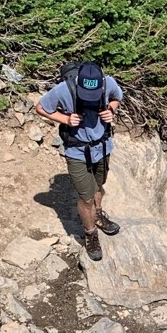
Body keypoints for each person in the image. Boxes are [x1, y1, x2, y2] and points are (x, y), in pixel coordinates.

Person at [36, 62, 125, 262]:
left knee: (98, 186)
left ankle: (98, 215)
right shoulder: (64, 89)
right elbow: (40, 107)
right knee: (86, 197)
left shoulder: (108, 83)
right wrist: (65, 119)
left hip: (102, 147)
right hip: (77, 151)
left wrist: (111, 108)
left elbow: (117, 96)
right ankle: (90, 233)